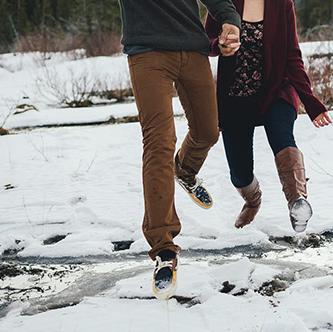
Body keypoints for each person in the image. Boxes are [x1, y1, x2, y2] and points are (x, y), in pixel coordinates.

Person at [118, 0, 242, 300]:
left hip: (192, 49)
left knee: (208, 131)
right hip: (147, 53)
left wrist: (230, 22)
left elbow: (219, 3)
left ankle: (185, 170)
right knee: (159, 143)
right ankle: (163, 247)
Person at [204, 0, 331, 233]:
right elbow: (207, 41)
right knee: (240, 173)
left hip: (275, 89)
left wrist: (310, 100)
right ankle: (253, 201)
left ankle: (298, 202)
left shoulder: (282, 3)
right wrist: (219, 45)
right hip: (235, 96)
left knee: (282, 135)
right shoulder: (225, 3)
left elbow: (292, 54)